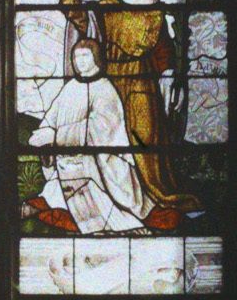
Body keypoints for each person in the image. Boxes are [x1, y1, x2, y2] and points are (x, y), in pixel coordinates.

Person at [96, 0, 202, 227]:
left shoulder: (156, 13)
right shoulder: (107, 7)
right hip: (109, 79)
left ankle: (153, 195)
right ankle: (114, 197)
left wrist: (167, 75)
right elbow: (90, 31)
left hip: (142, 80)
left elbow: (163, 50)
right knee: (108, 135)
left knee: (144, 137)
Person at [25, 36, 153, 234]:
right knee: (55, 194)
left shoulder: (104, 89)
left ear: (96, 58)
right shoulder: (70, 87)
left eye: (85, 56)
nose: (79, 61)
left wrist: (56, 136)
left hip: (101, 164)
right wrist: (43, 133)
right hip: (67, 161)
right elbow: (52, 117)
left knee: (86, 191)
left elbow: (100, 129)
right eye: (76, 57)